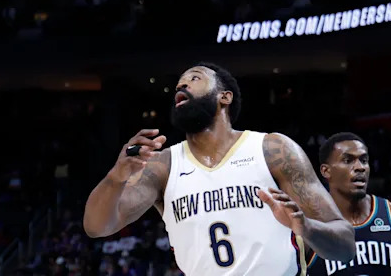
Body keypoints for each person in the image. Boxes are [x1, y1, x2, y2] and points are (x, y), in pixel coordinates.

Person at [83, 63, 356, 275]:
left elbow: (344, 246)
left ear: (224, 97)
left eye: (195, 78)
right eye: (180, 83)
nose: (183, 84)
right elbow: (96, 227)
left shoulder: (273, 150)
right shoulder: (162, 166)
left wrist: (305, 226)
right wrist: (116, 176)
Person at [307, 132, 391, 275]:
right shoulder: (310, 226)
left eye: (364, 160)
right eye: (348, 160)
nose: (360, 167)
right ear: (326, 171)